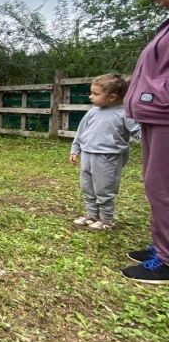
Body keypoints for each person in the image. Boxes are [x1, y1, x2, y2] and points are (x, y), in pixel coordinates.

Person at [121, 0, 169, 284]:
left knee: (161, 185)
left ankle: (167, 260)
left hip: (165, 113)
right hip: (157, 115)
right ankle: (162, 246)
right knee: (156, 184)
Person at [69, 74, 140, 231]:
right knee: (87, 186)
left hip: (108, 158)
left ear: (112, 97)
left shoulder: (125, 114)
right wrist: (75, 148)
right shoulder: (93, 112)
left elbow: (139, 132)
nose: (90, 96)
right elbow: (81, 131)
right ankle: (92, 215)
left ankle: (107, 220)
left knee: (104, 189)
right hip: (88, 154)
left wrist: (155, 142)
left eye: (95, 94)